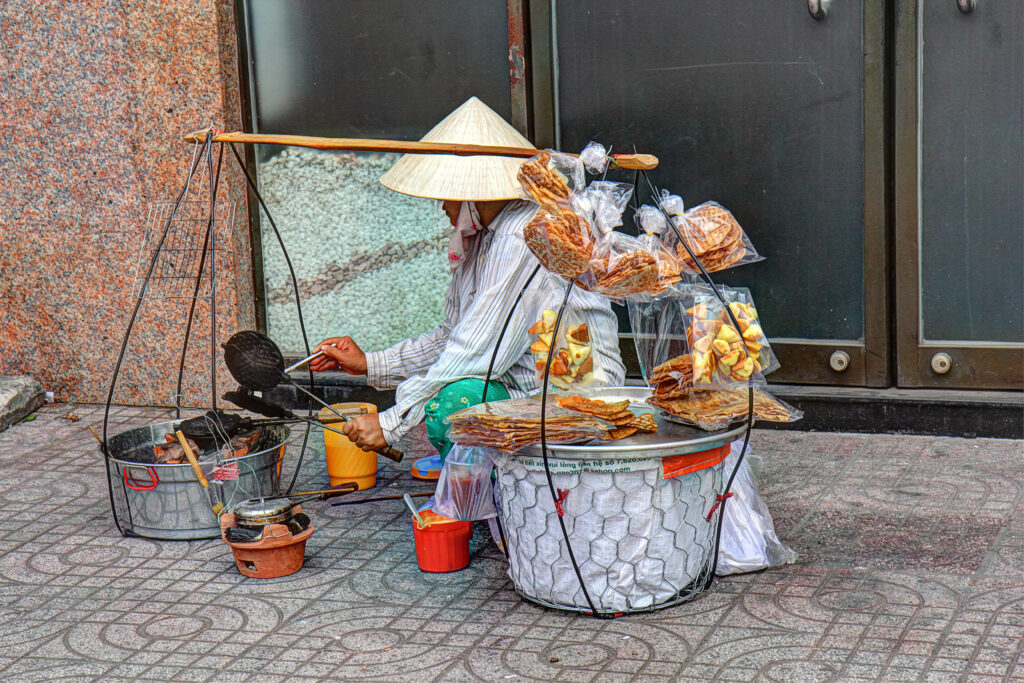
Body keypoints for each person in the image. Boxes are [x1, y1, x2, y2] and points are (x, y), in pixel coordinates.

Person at [310, 97, 625, 475]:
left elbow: (473, 349)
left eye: (447, 192)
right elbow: (452, 334)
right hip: (523, 386)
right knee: (442, 396)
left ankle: (495, 509)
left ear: (472, 192)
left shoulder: (524, 235)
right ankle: (477, 498)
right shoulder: (484, 238)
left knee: (454, 403)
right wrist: (370, 364)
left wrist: (391, 422)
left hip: (573, 392)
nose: (442, 205)